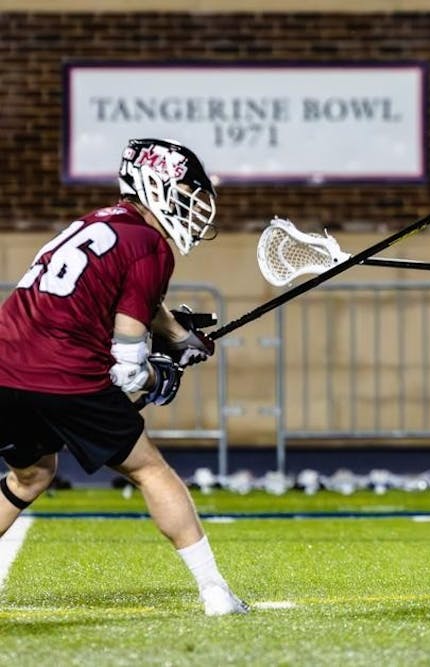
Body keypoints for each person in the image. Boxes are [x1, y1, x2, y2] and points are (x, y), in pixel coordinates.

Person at [0, 138, 249, 616]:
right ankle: (215, 592)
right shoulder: (151, 244)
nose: (193, 211)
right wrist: (158, 377)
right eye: (184, 194)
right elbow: (128, 367)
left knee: (30, 476)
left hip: (6, 368)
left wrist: (177, 335)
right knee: (150, 469)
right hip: (64, 372)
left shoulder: (97, 224)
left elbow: (128, 302)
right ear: (154, 187)